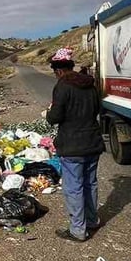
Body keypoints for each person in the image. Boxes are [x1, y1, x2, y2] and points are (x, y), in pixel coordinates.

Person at [44, 47, 104, 242]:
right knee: (90, 183)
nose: (55, 75)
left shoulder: (63, 86)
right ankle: (92, 220)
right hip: (93, 143)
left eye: (55, 72)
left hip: (72, 146)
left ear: (60, 70)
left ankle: (78, 230)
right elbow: (97, 109)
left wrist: (49, 112)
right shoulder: (91, 85)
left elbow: (55, 117)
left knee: (74, 187)